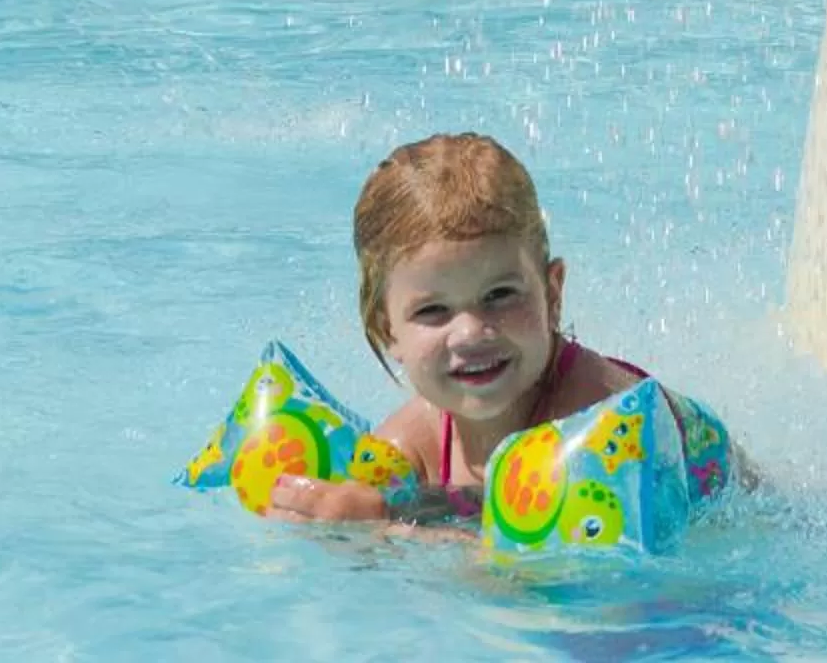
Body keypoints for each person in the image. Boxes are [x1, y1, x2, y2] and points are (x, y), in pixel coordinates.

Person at [270, 129, 741, 526]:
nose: (471, 332)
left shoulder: (595, 416)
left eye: (499, 296)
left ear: (552, 294)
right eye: (433, 311)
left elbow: (545, 566)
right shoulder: (414, 441)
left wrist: (392, 531)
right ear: (386, 329)